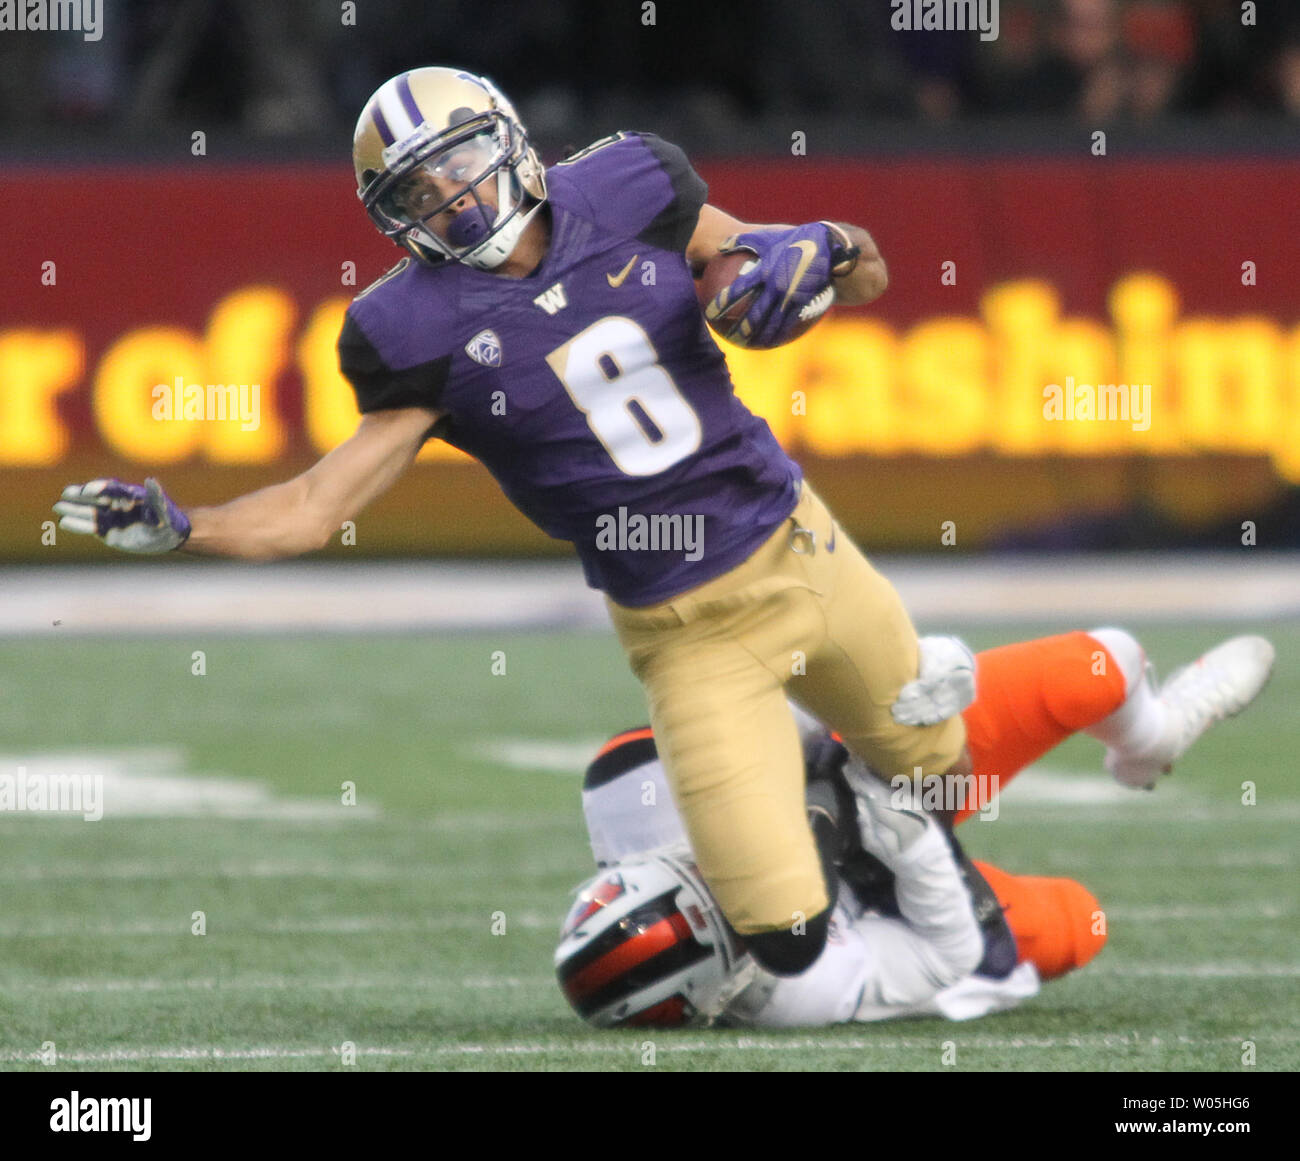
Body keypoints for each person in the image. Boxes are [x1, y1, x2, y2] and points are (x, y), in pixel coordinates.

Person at [53, 65, 971, 978]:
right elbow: (312, 508)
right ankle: (832, 799)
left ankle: (1031, 723)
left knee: (943, 778)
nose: (449, 197)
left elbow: (853, 269)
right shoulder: (411, 329)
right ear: (393, 213)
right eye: (418, 188)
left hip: (801, 548)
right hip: (685, 632)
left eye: (457, 163)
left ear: (508, 140)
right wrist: (188, 528)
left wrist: (828, 250)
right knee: (785, 940)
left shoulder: (632, 185)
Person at [554, 628, 1274, 1027]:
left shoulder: (634, 783)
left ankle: (1156, 739)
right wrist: (915, 846)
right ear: (724, 992)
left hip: (857, 761)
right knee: (1080, 923)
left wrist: (893, 700)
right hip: (899, 895)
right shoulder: (789, 995)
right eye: (737, 924)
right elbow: (941, 956)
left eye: (707, 877)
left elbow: (774, 689)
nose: (741, 889)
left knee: (1099, 664)